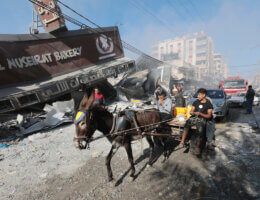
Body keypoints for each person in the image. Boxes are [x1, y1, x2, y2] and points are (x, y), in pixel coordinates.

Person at [179, 88, 213, 155]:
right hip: (194, 117)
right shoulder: (196, 102)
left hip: (202, 119)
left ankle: (197, 147)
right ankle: (182, 142)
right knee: (187, 122)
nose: (198, 96)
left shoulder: (208, 104)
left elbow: (209, 116)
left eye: (199, 95)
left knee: (200, 129)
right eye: (198, 94)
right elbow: (192, 110)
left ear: (204, 95)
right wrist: (192, 112)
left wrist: (200, 114)